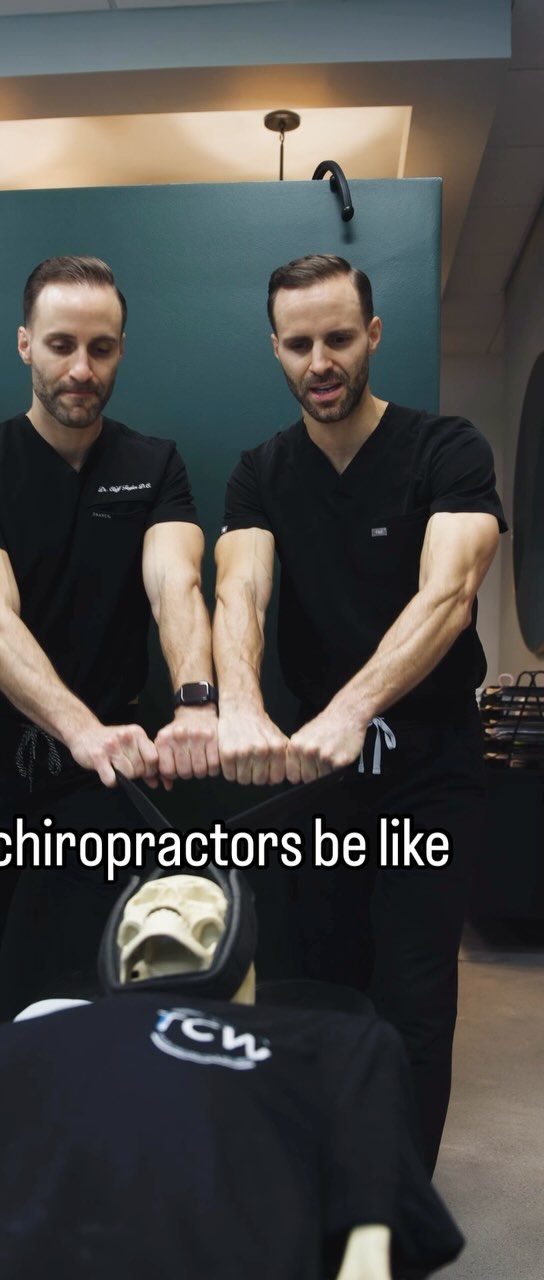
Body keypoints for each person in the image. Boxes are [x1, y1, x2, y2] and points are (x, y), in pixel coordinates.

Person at [213, 254, 506, 1173]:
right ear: (275, 349)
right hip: (316, 777)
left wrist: (352, 710)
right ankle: (321, 1175)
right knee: (311, 985)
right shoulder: (261, 472)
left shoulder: (446, 449)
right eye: (298, 343)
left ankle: (395, 1198)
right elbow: (240, 591)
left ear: (372, 335)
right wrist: (240, 706)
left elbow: (448, 594)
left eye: (338, 337)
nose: (321, 361)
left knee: (414, 997)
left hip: (430, 769)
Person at [0, 869, 464, 1279]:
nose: (163, 908)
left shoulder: (334, 1045)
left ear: (237, 937)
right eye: (148, 899)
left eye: (194, 896)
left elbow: (369, 1233)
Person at [0, 255, 219, 1036]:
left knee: (95, 987)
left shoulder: (154, 465)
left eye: (101, 348)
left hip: (100, 776)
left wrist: (195, 701)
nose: (81, 369)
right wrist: (81, 729)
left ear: (121, 351)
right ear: (25, 344)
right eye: (61, 345)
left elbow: (176, 584)